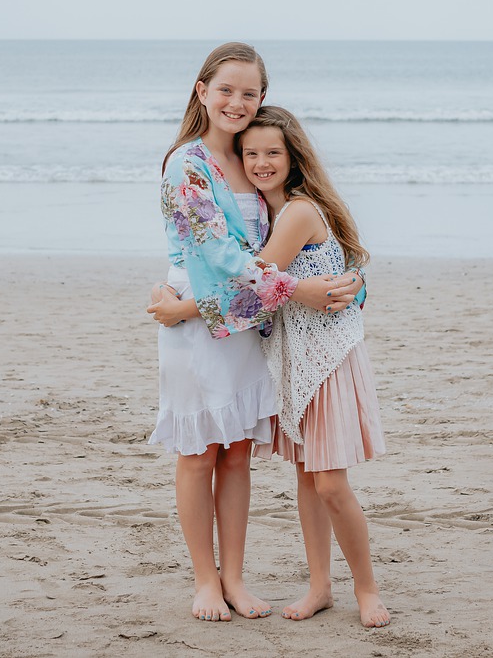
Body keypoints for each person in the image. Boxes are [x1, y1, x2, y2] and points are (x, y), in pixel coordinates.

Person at [149, 44, 364, 624]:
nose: (236, 102)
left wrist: (346, 287)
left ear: (262, 100)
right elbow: (221, 255)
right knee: (199, 452)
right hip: (200, 318)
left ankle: (235, 579)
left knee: (238, 453)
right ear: (201, 91)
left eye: (249, 93)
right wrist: (293, 293)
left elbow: (312, 247)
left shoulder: (254, 160)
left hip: (245, 320)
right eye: (225, 90)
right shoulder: (186, 165)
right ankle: (204, 581)